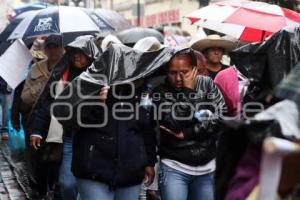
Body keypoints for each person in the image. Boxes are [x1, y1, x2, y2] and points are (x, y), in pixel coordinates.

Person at [30, 35, 99, 200]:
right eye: (74, 52)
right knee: (67, 184)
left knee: (88, 184)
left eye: (81, 52)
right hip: (69, 137)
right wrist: (37, 130)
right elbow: (49, 103)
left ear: (90, 55)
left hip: (93, 139)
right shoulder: (63, 74)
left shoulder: (100, 76)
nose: (76, 55)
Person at [154, 49, 226, 200]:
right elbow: (173, 123)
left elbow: (221, 118)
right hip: (175, 167)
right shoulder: (160, 92)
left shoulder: (207, 84)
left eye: (184, 72)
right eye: (173, 73)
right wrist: (188, 92)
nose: (179, 78)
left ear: (194, 69)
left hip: (207, 168)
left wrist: (188, 133)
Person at [21, 34, 64, 198]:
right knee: (39, 160)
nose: (53, 51)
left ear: (62, 48)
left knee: (57, 159)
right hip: (37, 120)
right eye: (50, 47)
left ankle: (55, 187)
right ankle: (42, 189)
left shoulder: (68, 68)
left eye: (56, 47)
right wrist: (42, 86)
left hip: (59, 122)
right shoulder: (36, 69)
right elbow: (25, 97)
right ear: (45, 49)